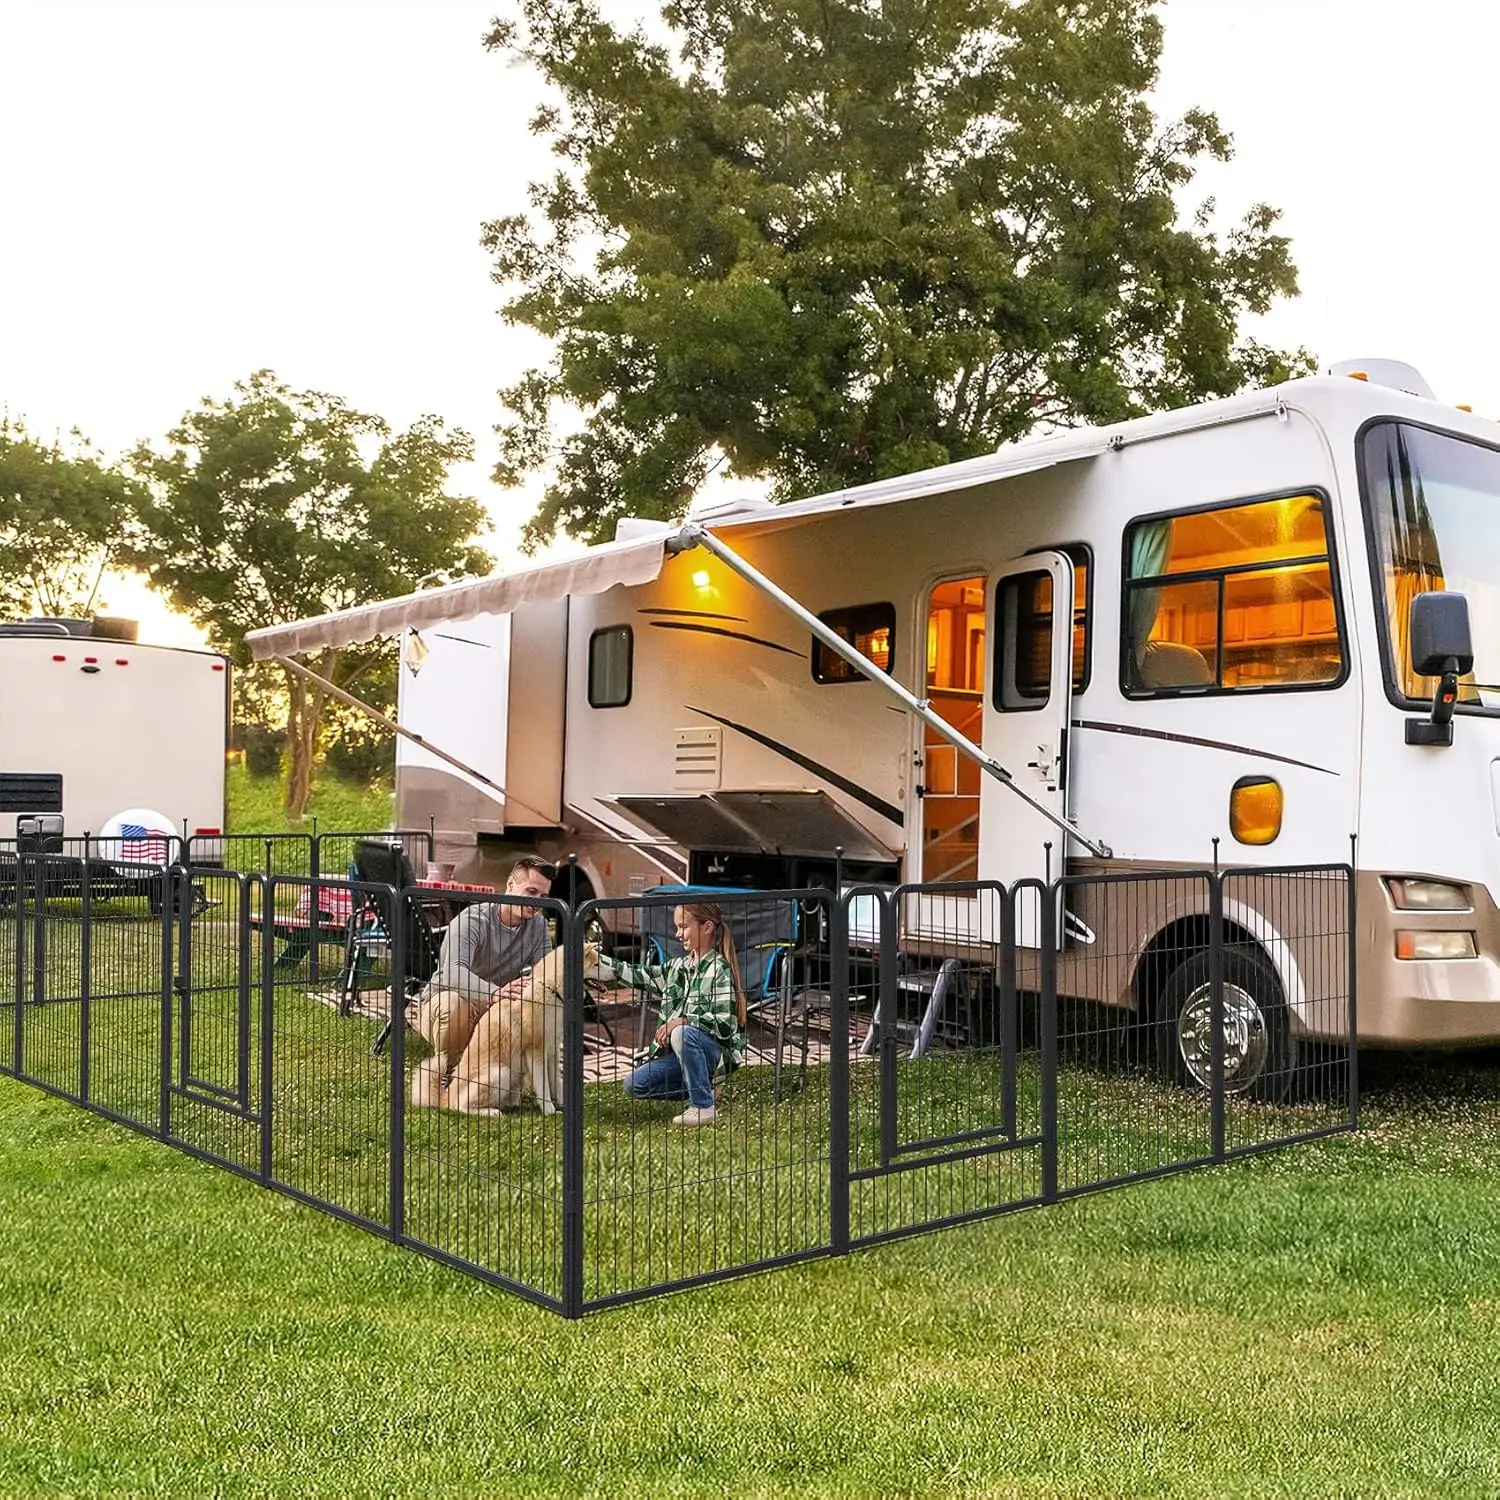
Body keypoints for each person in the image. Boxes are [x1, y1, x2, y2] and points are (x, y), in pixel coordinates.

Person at [599, 901, 746, 1126]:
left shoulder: (719, 969)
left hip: (713, 1053)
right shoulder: (678, 967)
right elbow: (641, 975)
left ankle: (703, 1107)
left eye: (683, 927)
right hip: (684, 1055)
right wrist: (599, 964)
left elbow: (725, 1024)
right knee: (634, 1084)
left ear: (707, 928)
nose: (677, 934)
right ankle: (704, 1088)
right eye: (677, 927)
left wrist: (682, 1021)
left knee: (681, 1033)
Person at [413, 855, 554, 1075]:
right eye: (531, 892)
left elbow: (545, 974)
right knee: (453, 1005)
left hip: (494, 1006)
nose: (537, 902)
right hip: (445, 1002)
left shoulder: (539, 926)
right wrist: (496, 993)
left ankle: (506, 1074)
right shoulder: (473, 919)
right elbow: (452, 973)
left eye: (544, 896)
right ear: (510, 884)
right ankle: (445, 1070)